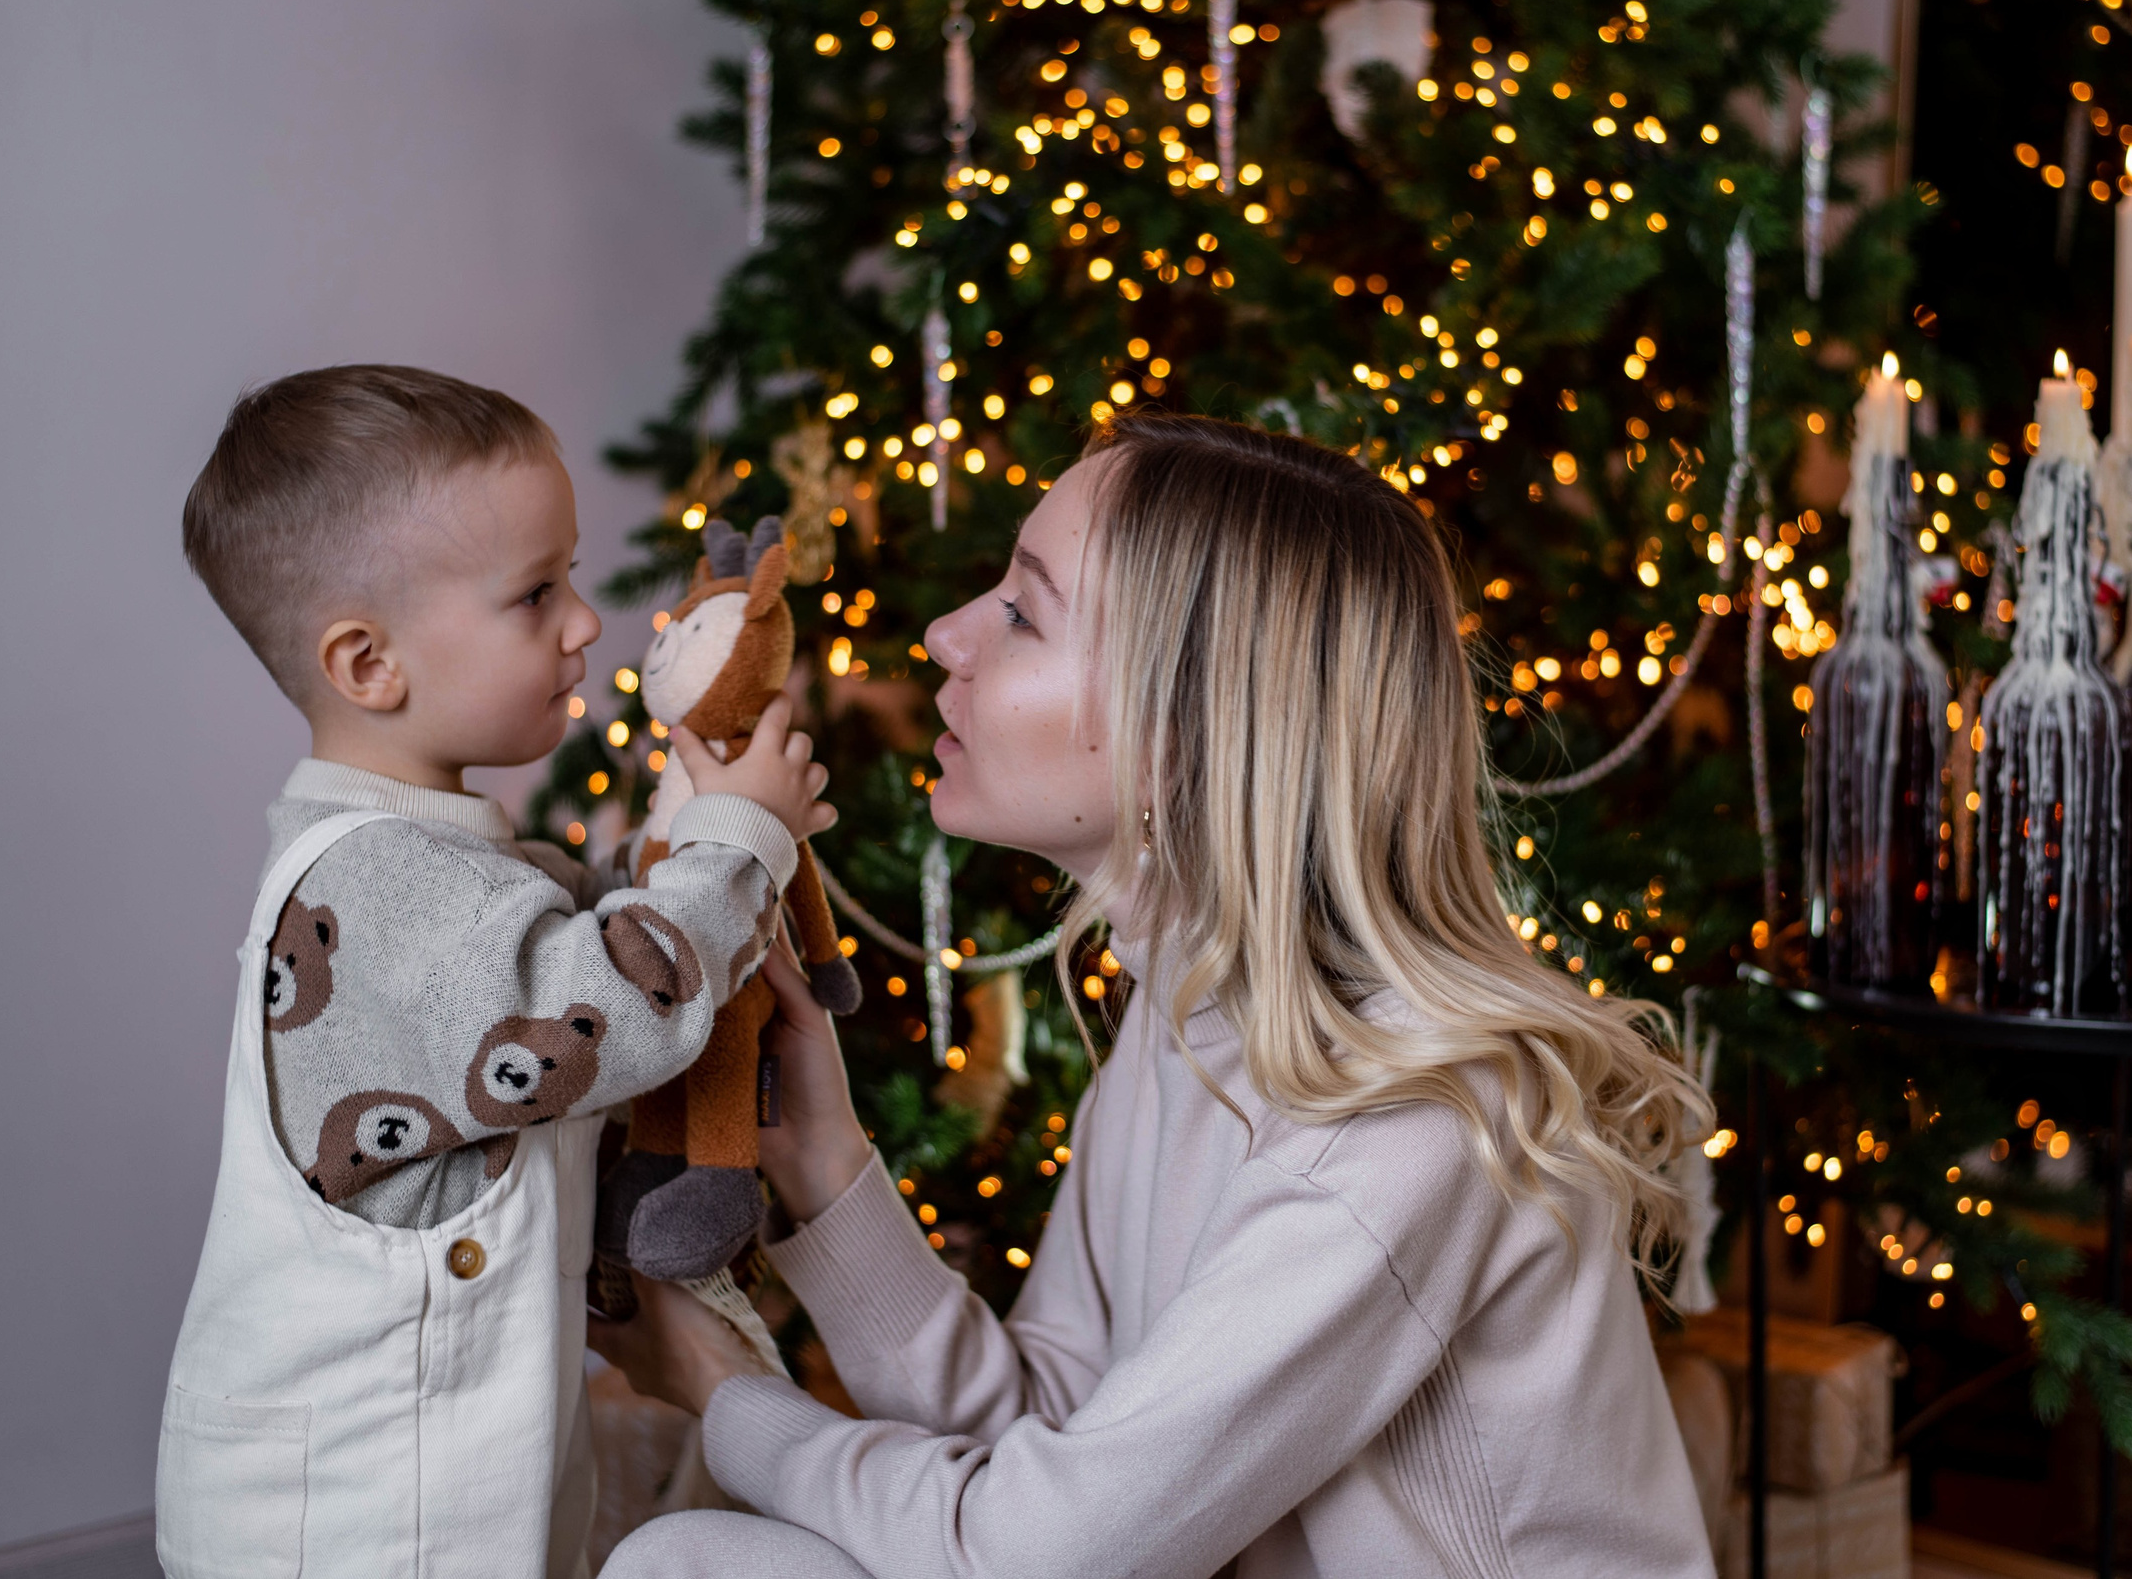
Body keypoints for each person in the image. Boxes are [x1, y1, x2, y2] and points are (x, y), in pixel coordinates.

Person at [597, 413, 1717, 1579]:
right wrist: (824, 1157)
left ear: (1184, 733)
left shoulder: (1408, 1115)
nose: (946, 634)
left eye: (1023, 613)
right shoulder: (1186, 1017)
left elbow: (1038, 1555)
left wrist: (724, 1391)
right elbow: (1056, 1439)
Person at [156, 366, 833, 1578]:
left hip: (438, 1500)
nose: (585, 622)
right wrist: (738, 841)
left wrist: (684, 829)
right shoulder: (375, 886)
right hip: (354, 1523)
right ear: (369, 663)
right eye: (535, 593)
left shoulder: (445, 866)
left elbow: (579, 933)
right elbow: (593, 1012)